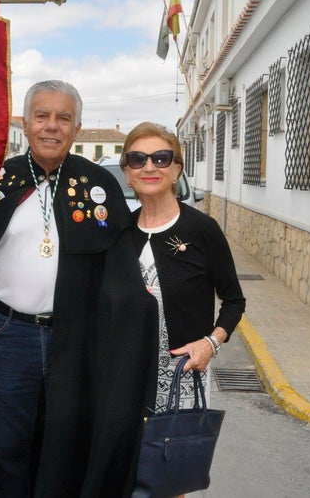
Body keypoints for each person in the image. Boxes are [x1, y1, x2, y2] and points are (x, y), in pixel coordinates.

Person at [0, 81, 158, 498]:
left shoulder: (99, 183)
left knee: (68, 443)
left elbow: (120, 270)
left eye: (63, 118)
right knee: (9, 443)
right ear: (26, 123)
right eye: (42, 115)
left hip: (77, 338)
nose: (52, 126)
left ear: (77, 127)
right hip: (9, 335)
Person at [120, 122, 245, 493]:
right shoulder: (121, 232)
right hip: (128, 376)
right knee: (129, 472)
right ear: (127, 172)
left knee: (170, 477)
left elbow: (234, 299)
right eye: (137, 159)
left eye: (161, 157)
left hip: (182, 375)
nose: (149, 167)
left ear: (177, 168)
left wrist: (211, 342)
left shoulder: (202, 229)